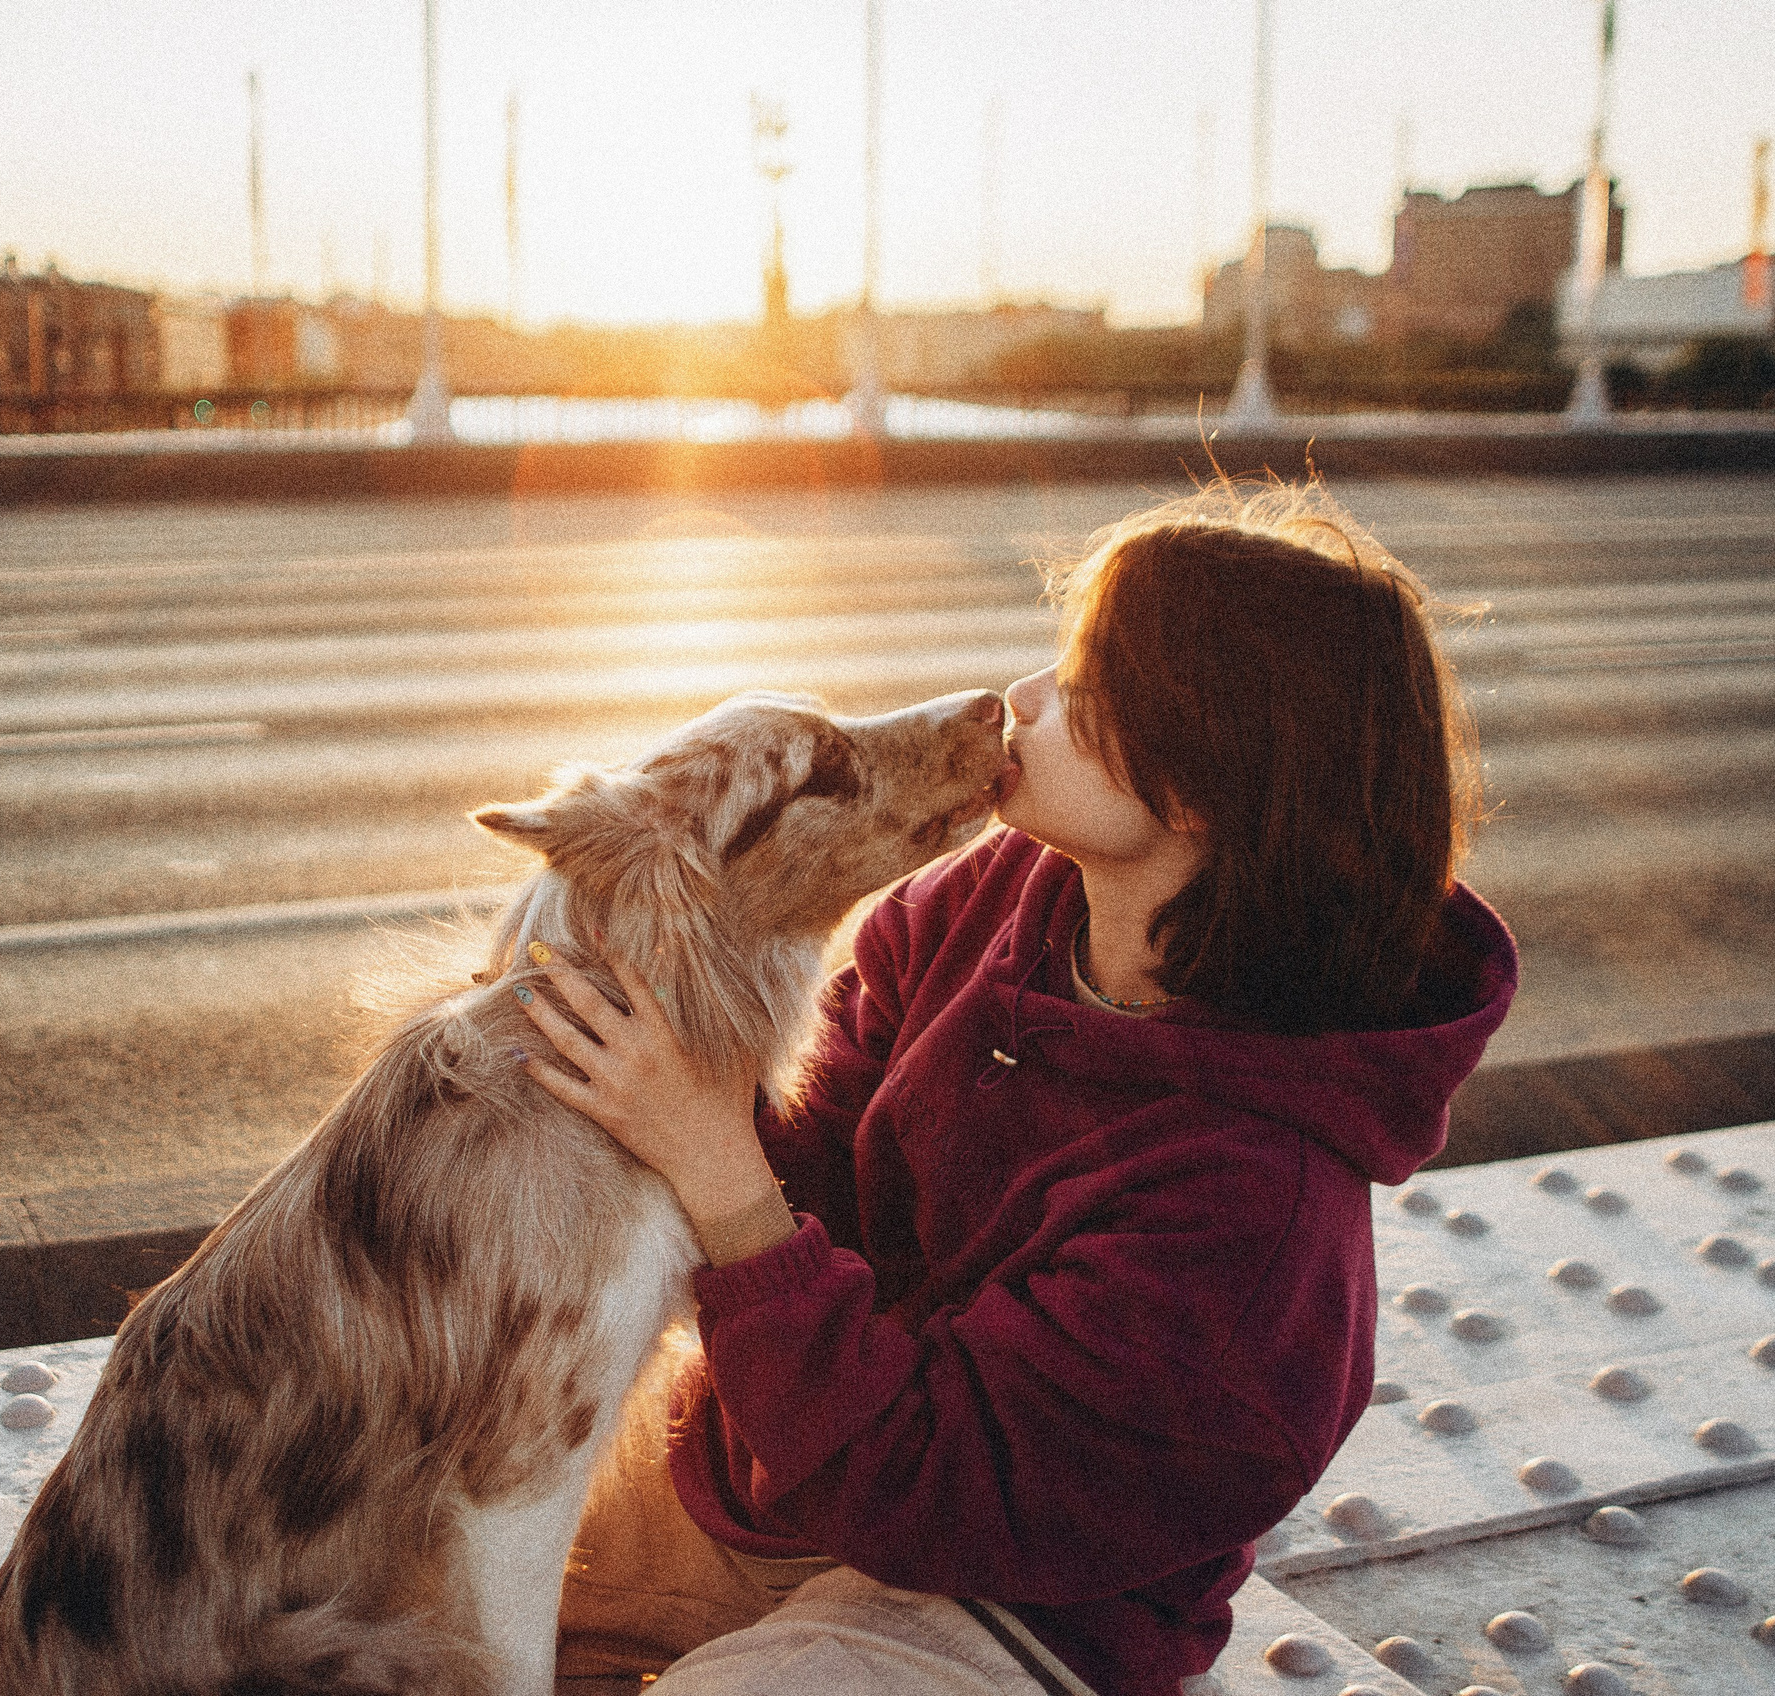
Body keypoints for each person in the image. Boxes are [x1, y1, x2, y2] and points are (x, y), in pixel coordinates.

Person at [521, 480, 1518, 1696]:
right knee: (375, 1583)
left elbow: (927, 1481)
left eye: (1083, 692)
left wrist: (717, 1164)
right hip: (773, 1467)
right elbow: (815, 1158)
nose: (1021, 701)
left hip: (1013, 1602)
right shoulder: (992, 899)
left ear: (1200, 785)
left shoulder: (1257, 1220)